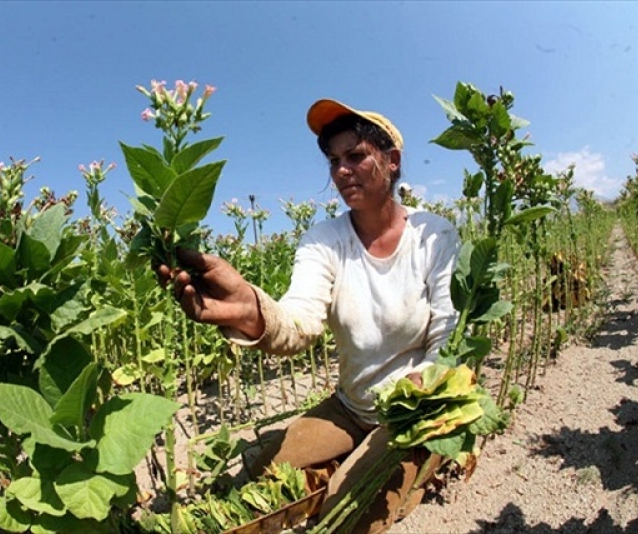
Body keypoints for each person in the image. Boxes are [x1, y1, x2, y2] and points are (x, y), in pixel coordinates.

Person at [157, 99, 460, 532]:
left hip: (411, 412)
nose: (341, 170)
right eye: (334, 160)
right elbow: (300, 321)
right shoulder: (324, 241)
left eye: (356, 156)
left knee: (345, 513)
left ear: (391, 162)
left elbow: (447, 332)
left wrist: (419, 398)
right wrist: (252, 312)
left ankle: (394, 468)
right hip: (351, 405)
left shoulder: (434, 234)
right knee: (262, 473)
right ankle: (339, 463)